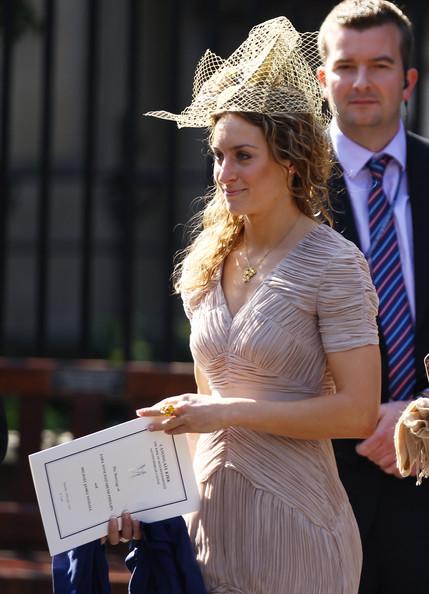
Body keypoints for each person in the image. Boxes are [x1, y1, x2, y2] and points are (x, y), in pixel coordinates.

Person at [109, 17, 381, 594]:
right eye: (217, 156)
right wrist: (140, 499)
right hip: (206, 529)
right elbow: (206, 405)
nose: (223, 174)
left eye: (242, 156)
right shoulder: (207, 261)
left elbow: (358, 412)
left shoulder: (334, 263)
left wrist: (227, 412)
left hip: (298, 530)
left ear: (289, 161)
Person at [317, 1, 429, 593]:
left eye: (380, 65)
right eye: (346, 66)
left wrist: (421, 416)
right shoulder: (286, 188)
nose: (361, 82)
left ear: (408, 80)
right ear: (323, 79)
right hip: (321, 488)